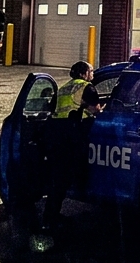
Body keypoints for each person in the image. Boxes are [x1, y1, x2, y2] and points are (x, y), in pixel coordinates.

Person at [42, 60, 104, 232]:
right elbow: (95, 110)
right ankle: (50, 219)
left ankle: (50, 215)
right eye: (91, 71)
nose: (92, 74)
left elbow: (51, 108)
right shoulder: (87, 87)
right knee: (65, 176)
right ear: (84, 74)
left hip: (55, 135)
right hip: (72, 135)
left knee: (58, 178)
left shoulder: (64, 88)